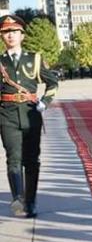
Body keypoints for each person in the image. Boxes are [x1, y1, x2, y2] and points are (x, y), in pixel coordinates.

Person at [0, 14, 59, 218]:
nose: (10, 36)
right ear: (2, 37)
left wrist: (45, 102)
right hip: (7, 115)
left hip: (31, 114)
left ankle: (31, 200)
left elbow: (52, 83)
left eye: (14, 32)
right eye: (6, 32)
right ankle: (18, 198)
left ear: (22, 35)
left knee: (31, 160)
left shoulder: (34, 59)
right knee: (13, 158)